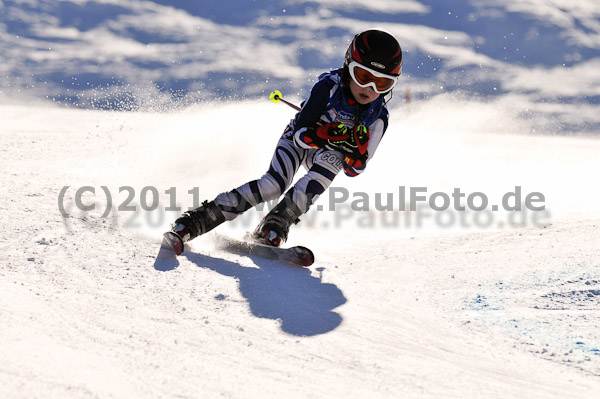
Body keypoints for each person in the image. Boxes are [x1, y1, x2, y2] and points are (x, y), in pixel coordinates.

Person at [166, 29, 403, 254]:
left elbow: (355, 170)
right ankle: (197, 220)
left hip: (326, 156)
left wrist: (356, 152)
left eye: (382, 84)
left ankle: (275, 225)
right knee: (273, 186)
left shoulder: (378, 118)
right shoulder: (329, 87)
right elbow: (301, 135)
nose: (369, 88)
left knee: (332, 163)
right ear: (348, 66)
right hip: (298, 142)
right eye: (362, 76)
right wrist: (329, 133)